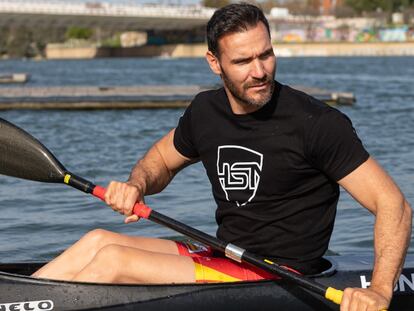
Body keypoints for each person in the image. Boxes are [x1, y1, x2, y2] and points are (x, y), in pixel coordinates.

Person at [33, 3, 411, 310]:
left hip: (277, 273)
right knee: (98, 240)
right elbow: (160, 161)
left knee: (114, 263)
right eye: (243, 61)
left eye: (266, 55)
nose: (260, 71)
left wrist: (379, 290)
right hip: (226, 255)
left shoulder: (316, 123)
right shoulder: (205, 112)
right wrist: (137, 184)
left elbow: (393, 204)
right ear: (214, 63)